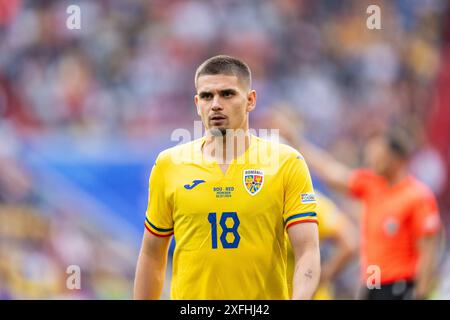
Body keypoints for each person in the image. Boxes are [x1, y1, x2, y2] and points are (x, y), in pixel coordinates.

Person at [133, 55, 320, 300]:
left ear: (250, 100)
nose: (216, 105)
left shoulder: (286, 163)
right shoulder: (169, 165)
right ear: (197, 102)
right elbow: (152, 253)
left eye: (227, 94)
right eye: (207, 96)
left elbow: (307, 250)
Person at [276, 109, 442, 300]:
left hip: (400, 286)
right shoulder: (371, 184)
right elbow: (331, 172)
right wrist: (297, 144)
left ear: (396, 158)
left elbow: (428, 253)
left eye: (378, 153)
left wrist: (419, 293)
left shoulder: (418, 197)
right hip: (372, 284)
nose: (371, 158)